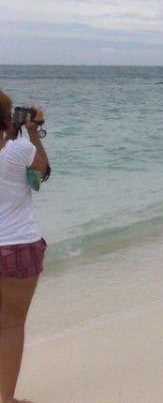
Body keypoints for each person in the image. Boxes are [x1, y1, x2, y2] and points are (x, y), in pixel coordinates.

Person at [0, 91, 50, 403]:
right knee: (11, 324)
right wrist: (33, 132)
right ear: (9, 117)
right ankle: (5, 397)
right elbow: (41, 173)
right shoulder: (19, 149)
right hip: (17, 243)